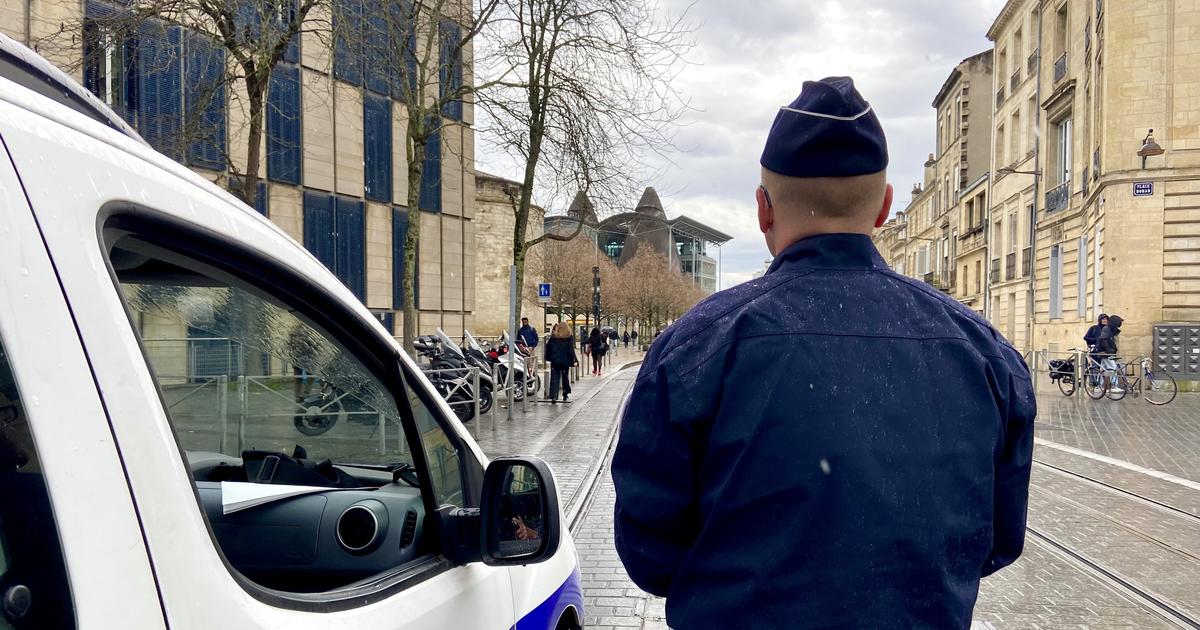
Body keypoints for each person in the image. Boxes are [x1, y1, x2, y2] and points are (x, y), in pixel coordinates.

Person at [611, 77, 1036, 629]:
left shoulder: (695, 348)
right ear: (883, 207)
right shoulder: (985, 354)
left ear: (764, 209)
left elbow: (650, 552)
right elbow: (999, 540)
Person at [544, 323, 577, 403]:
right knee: (565, 377)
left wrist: (548, 357)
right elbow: (570, 349)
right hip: (565, 360)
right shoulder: (569, 337)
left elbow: (548, 347)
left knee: (554, 377)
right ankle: (565, 394)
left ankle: (554, 396)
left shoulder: (554, 337)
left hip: (555, 360)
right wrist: (574, 359)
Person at [1096, 314, 1124, 392]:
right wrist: (1109, 351)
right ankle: (1113, 386)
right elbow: (1103, 340)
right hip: (1106, 353)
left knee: (1103, 369)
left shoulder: (1109, 329)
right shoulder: (1107, 329)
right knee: (1113, 368)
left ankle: (1100, 386)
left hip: (1105, 353)